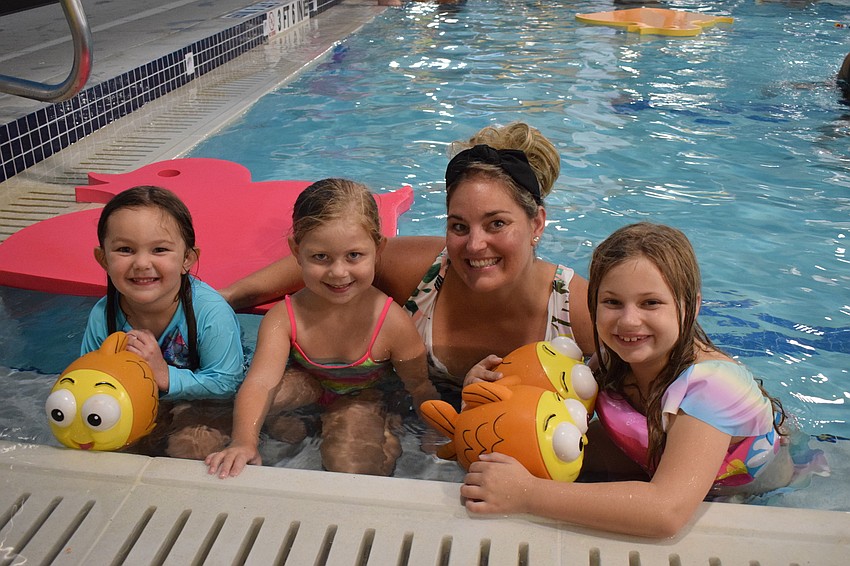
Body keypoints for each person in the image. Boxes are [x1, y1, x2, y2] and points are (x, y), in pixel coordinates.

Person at [460, 222, 792, 538]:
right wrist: (484, 394)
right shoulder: (611, 358)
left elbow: (666, 512)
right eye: (613, 303)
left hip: (744, 486)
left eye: (651, 303)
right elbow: (542, 417)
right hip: (650, 453)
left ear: (691, 306)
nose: (629, 321)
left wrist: (528, 495)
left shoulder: (712, 388)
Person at [219, 122, 595, 402]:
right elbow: (329, 259)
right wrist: (228, 297)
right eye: (459, 226)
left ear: (537, 224)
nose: (475, 244)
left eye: (497, 223)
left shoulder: (576, 310)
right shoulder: (426, 273)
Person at [205, 178, 438, 478]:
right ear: (296, 250)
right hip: (308, 385)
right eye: (320, 257)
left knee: (351, 466)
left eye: (354, 256)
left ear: (378, 248)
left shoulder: (391, 323)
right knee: (224, 416)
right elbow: (261, 382)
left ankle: (378, 434)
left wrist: (433, 430)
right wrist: (243, 441)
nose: (338, 272)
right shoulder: (284, 318)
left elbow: (419, 386)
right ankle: (302, 425)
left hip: (362, 396)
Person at [82, 185, 244, 458]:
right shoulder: (103, 315)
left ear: (187, 259)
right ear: (103, 259)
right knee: (110, 443)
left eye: (159, 249)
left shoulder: (210, 312)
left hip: (208, 402)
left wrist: (164, 375)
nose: (142, 263)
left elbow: (228, 383)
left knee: (190, 448)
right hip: (146, 400)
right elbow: (90, 379)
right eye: (125, 249)